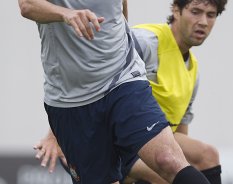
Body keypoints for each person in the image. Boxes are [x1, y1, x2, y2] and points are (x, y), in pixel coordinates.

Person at [18, 0, 212, 183]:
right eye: (196, 12)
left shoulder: (190, 67)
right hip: (71, 102)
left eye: (211, 15)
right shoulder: (152, 41)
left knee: (167, 159)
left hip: (122, 79)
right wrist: (65, 14)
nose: (203, 21)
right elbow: (27, 5)